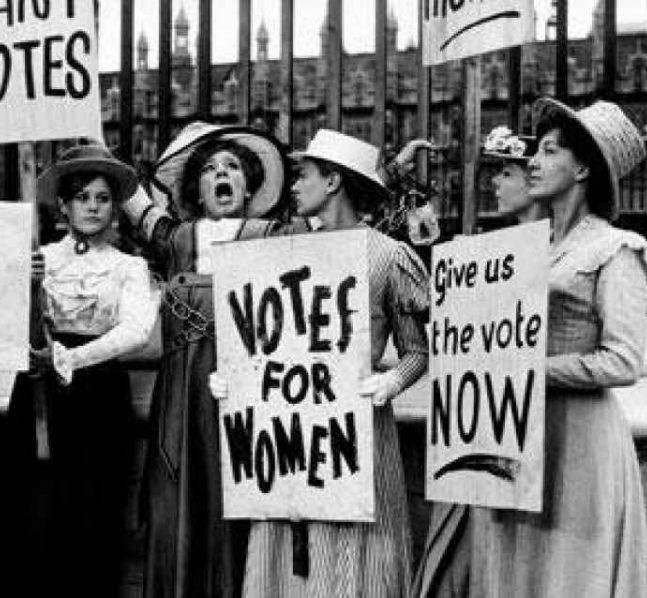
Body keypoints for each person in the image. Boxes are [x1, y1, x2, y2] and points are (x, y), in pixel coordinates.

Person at [209, 129, 430, 597]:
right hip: (290, 432)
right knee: (287, 554)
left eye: (302, 176)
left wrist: (391, 381)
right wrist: (236, 380)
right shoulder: (282, 251)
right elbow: (263, 340)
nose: (292, 187)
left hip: (356, 432)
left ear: (333, 182)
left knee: (356, 555)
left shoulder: (387, 256)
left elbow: (418, 351)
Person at [469, 99, 647, 597]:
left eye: (549, 151)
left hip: (579, 442)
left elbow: (622, 359)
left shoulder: (616, 248)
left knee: (570, 572)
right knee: (521, 570)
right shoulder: (530, 247)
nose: (533, 161)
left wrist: (530, 369)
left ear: (582, 169)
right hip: (518, 431)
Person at [122, 122, 299, 598]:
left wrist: (394, 172)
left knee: (238, 488)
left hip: (249, 388)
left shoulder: (274, 234)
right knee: (177, 494)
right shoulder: (176, 238)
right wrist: (95, 147)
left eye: (233, 167)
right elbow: (127, 194)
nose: (222, 174)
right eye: (210, 169)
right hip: (182, 392)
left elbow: (343, 230)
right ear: (196, 189)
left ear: (249, 184)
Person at [0, 142, 158, 597]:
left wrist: (71, 358)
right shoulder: (39, 259)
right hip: (39, 391)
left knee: (91, 505)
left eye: (102, 198)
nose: (93, 207)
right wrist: (26, 289)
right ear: (63, 205)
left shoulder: (128, 267)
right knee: (33, 507)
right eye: (83, 198)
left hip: (97, 392)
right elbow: (0, 321)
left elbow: (136, 330)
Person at [411, 124, 541, 598]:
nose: (495, 184)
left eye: (506, 173)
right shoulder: (490, 250)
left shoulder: (550, 250)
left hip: (524, 430)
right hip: (478, 429)